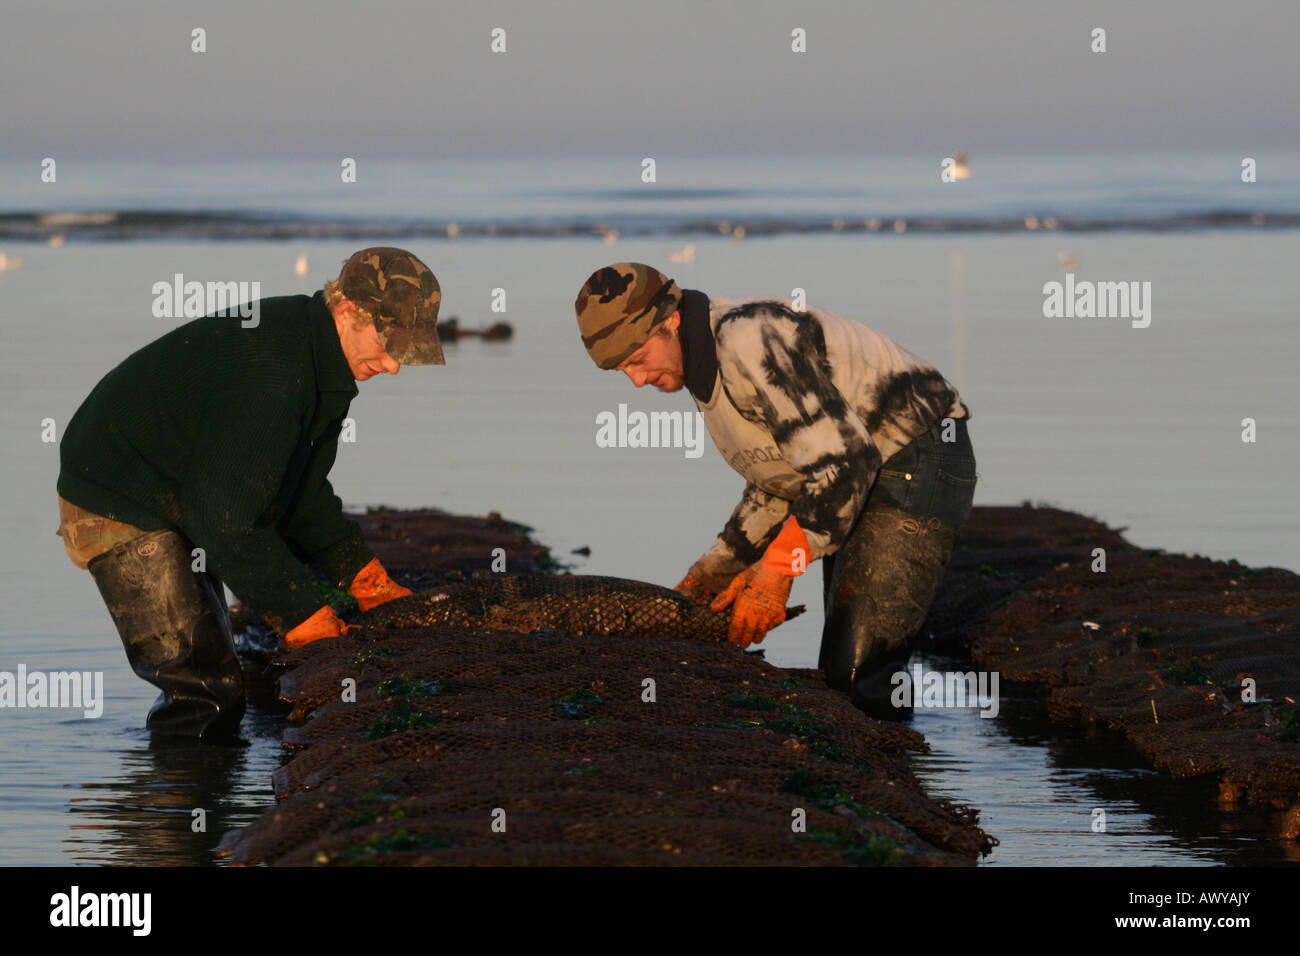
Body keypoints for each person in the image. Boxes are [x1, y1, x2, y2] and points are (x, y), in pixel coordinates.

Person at [55, 247, 445, 742]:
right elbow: (222, 521)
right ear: (347, 310)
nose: (393, 366)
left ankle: (207, 780)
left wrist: (364, 576)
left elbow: (301, 496)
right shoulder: (278, 372)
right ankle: (177, 789)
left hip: (180, 491)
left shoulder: (322, 363)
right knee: (204, 692)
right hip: (118, 494)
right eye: (388, 344)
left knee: (222, 674)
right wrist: (304, 617)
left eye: (404, 351)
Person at [574, 262, 976, 716]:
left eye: (637, 359)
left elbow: (845, 465)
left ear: (671, 320)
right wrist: (715, 572)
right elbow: (783, 479)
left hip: (915, 452)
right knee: (841, 666)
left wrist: (776, 573)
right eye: (621, 369)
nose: (637, 380)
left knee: (858, 675)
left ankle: (897, 758)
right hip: (863, 471)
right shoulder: (701, 366)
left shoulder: (749, 339)